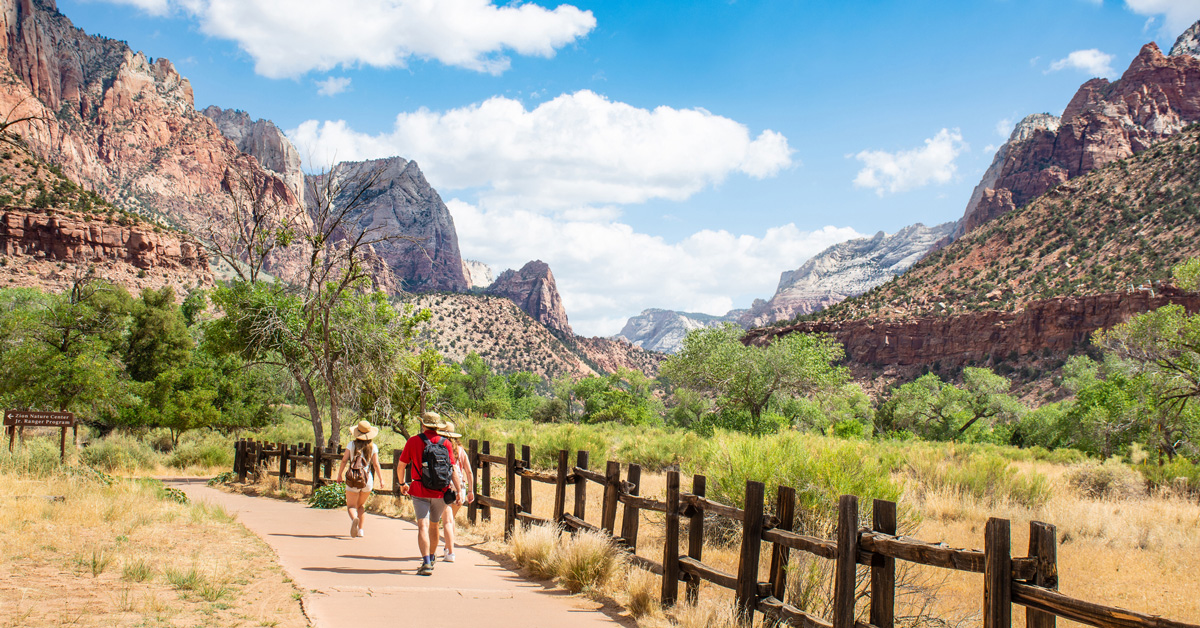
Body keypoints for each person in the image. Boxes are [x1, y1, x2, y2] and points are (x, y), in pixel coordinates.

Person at [397, 411, 461, 576]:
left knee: (422, 526)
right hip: (440, 492)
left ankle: (426, 562)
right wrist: (459, 490)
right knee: (434, 525)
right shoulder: (445, 443)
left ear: (423, 424)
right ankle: (432, 557)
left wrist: (403, 483)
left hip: (419, 490)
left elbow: (401, 466)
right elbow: (452, 469)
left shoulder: (413, 441)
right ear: (437, 426)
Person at [433, 420, 474, 563]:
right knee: (451, 520)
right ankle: (447, 547)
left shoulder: (440, 448)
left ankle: (450, 552)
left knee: (447, 522)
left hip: (447, 489)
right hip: (460, 489)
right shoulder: (461, 451)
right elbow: (469, 472)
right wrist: (471, 490)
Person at [336, 420, 383, 538]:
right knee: (361, 505)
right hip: (367, 479)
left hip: (352, 478)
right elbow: (376, 464)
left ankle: (354, 519)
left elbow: (344, 460)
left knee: (351, 506)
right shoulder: (373, 447)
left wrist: (340, 474)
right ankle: (361, 530)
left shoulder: (351, 445)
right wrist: (381, 479)